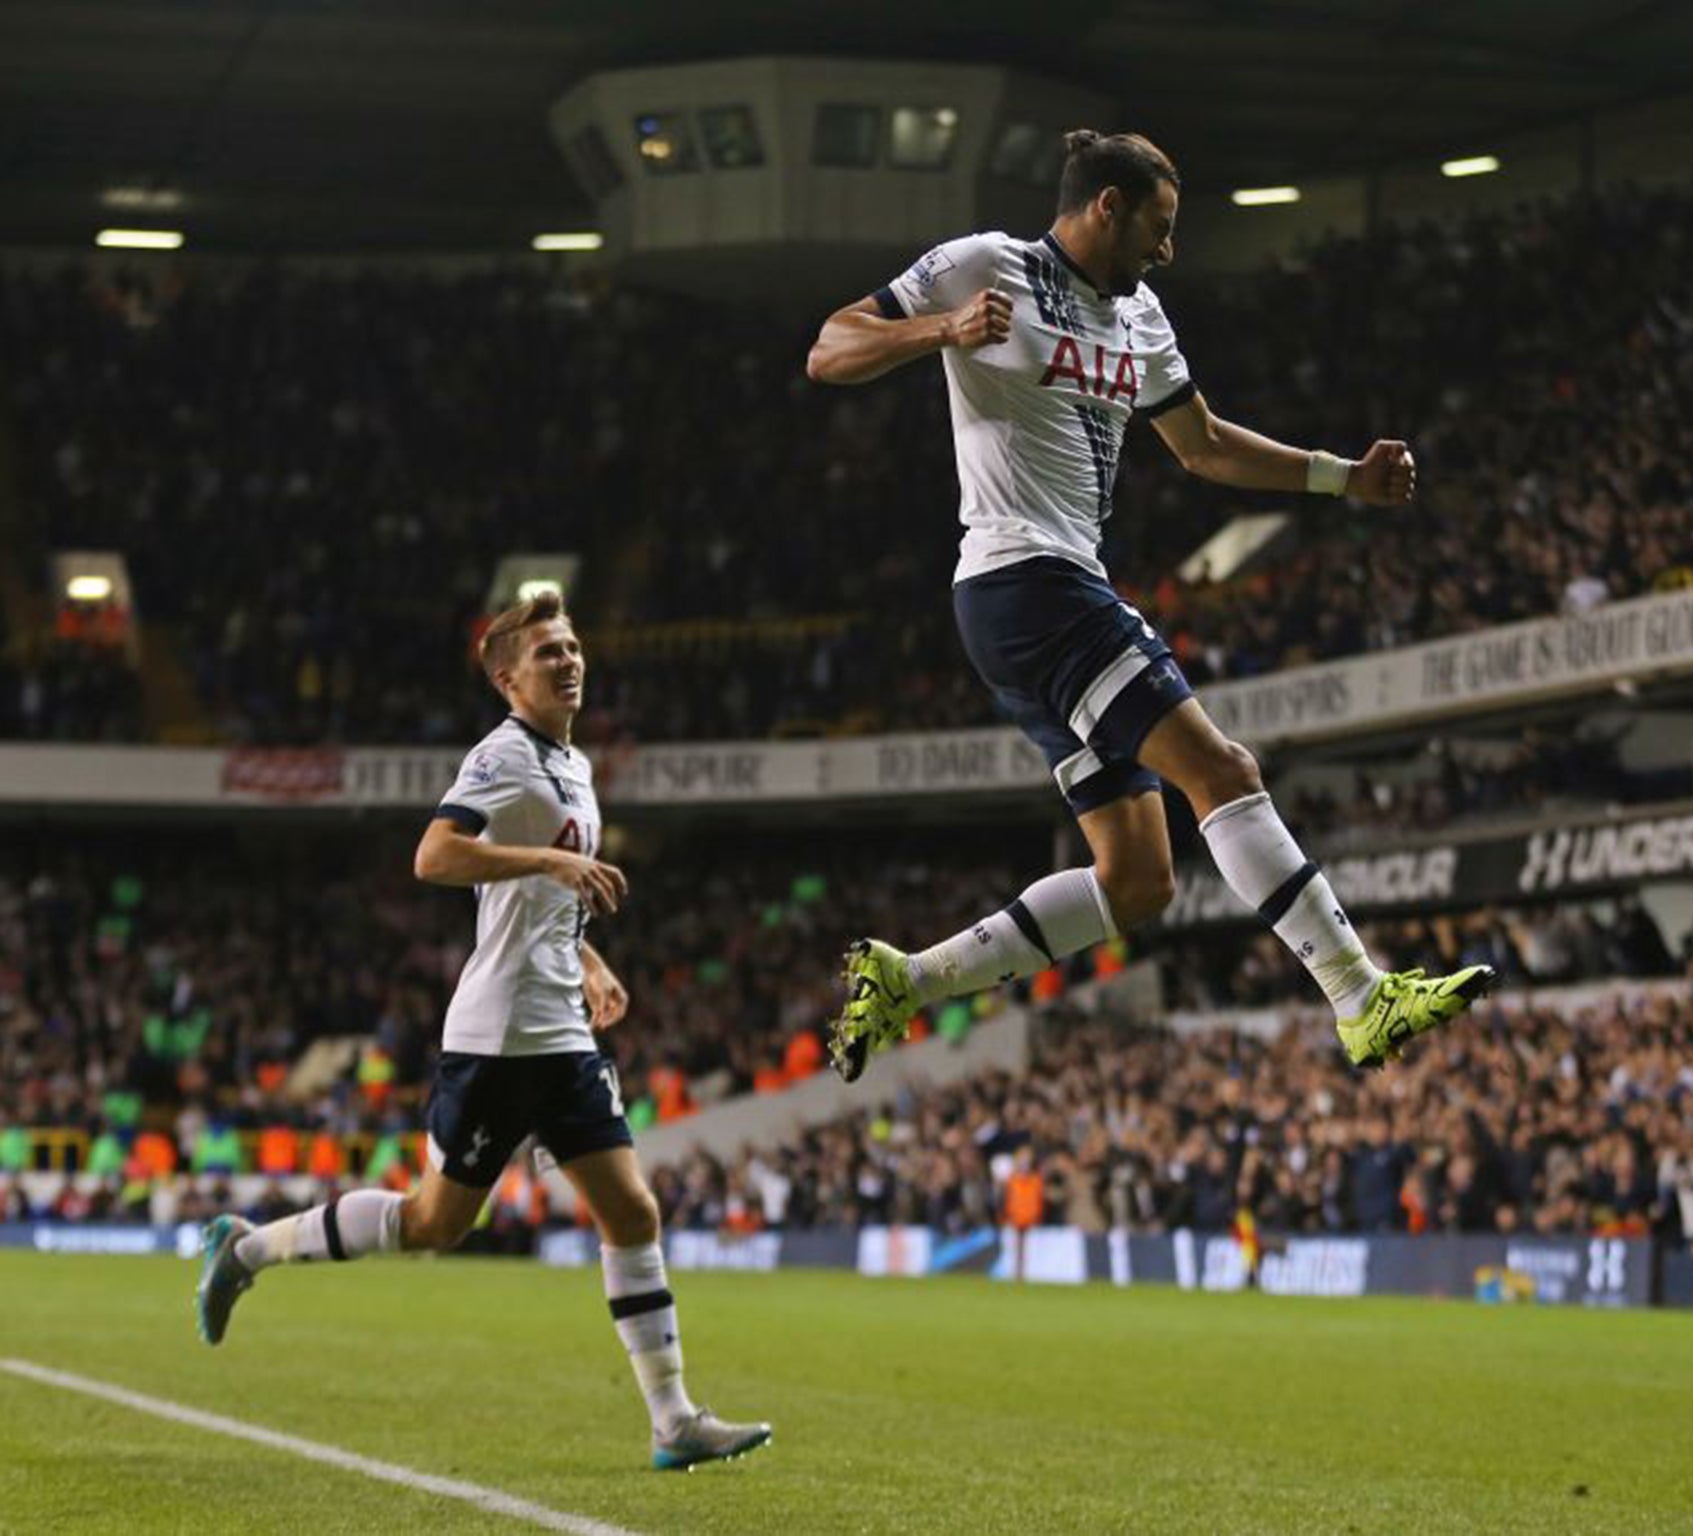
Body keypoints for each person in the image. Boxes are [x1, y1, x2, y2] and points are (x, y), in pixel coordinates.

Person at [806, 128, 1493, 1080]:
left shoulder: (1142, 316)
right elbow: (830, 349)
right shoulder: (982, 264)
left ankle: (909, 981)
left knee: (1138, 881)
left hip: (1039, 597)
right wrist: (942, 331)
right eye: (1158, 229)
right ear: (1107, 208)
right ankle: (1359, 995)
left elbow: (1203, 445)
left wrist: (1341, 481)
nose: (1167, 251)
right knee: (1222, 767)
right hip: (1027, 580)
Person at [193, 591, 769, 1472]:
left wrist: (585, 959)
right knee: (433, 1225)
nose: (569, 660)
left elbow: (534, 904)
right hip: (499, 1037)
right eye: (548, 652)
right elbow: (433, 856)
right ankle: (246, 1248)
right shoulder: (502, 756)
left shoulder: (570, 763)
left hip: (562, 1032)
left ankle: (672, 1419)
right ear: (507, 677)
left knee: (632, 1208)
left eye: (573, 645)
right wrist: (547, 857)